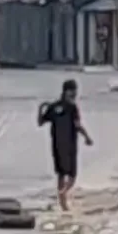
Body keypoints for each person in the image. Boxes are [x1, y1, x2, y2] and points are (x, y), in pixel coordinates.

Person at [38, 79, 93, 211]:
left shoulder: (53, 107)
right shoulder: (72, 107)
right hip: (70, 146)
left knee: (61, 174)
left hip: (57, 145)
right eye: (73, 91)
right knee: (72, 175)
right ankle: (63, 195)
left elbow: (40, 122)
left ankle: (63, 201)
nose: (75, 93)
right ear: (68, 91)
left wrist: (41, 109)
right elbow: (77, 125)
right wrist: (87, 137)